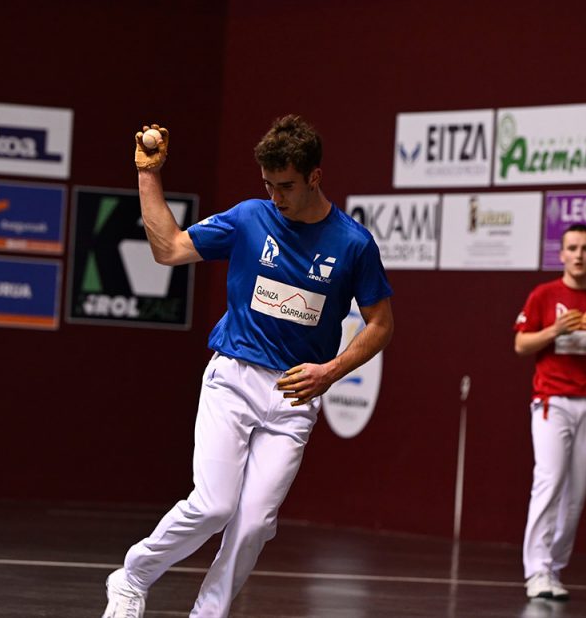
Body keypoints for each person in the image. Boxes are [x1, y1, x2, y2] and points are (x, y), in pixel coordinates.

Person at [102, 115, 394, 618]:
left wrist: (330, 371)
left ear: (315, 177)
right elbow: (169, 249)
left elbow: (381, 324)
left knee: (255, 523)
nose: (276, 197)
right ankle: (131, 578)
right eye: (268, 185)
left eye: (286, 186)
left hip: (295, 397)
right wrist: (148, 174)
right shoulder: (249, 218)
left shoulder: (353, 243)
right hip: (233, 379)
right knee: (214, 505)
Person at [513, 223, 586, 601]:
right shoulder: (544, 294)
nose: (579, 255)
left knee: (576, 492)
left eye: (585, 248)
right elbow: (521, 344)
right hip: (552, 400)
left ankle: (554, 568)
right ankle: (536, 571)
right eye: (572, 248)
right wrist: (555, 329)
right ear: (561, 254)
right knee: (549, 480)